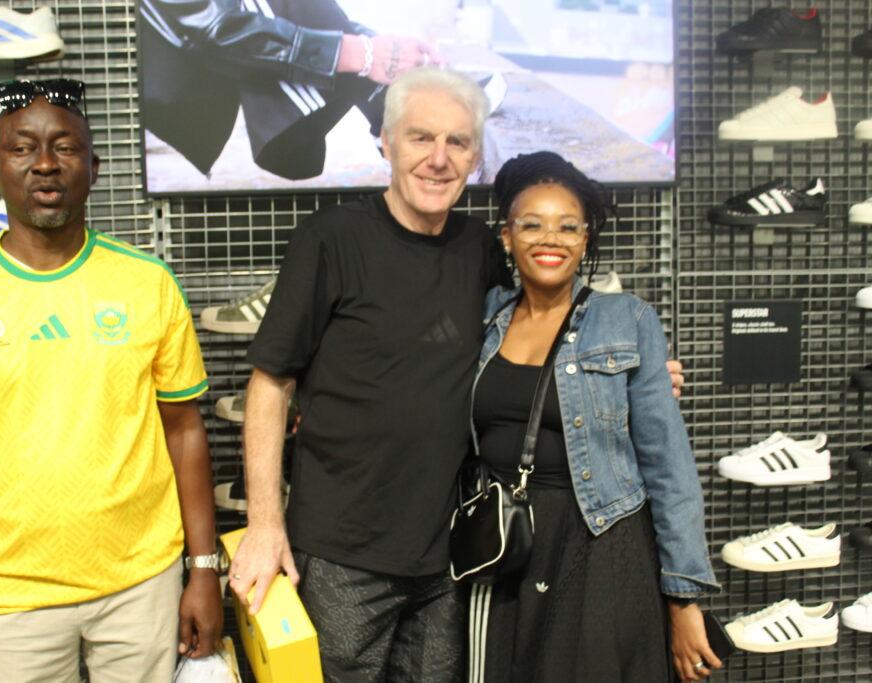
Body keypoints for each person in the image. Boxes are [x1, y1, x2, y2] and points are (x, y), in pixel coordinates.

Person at [228, 67, 685, 681]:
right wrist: (264, 524)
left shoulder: (481, 250)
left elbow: (532, 341)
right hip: (342, 553)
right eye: (421, 137)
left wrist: (626, 378)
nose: (438, 158)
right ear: (386, 142)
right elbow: (270, 385)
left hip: (453, 558)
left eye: (458, 142)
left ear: (475, 157)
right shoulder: (330, 239)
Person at [0, 79, 222, 683]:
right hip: (9, 593)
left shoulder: (148, 283)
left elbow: (183, 430)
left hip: (141, 582)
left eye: (65, 147)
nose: (45, 163)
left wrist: (203, 568)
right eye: (22, 148)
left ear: (93, 169)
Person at [466, 151, 720, 683]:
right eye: (531, 224)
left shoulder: (625, 320)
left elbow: (669, 468)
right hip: (505, 542)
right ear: (507, 237)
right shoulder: (485, 315)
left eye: (568, 226)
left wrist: (684, 600)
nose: (550, 239)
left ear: (585, 240)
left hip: (598, 541)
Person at [140, 0, 440, 181]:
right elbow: (213, 26)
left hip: (205, 84)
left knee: (378, 74)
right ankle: (386, 103)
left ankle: (389, 100)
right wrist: (365, 54)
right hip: (181, 94)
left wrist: (379, 50)